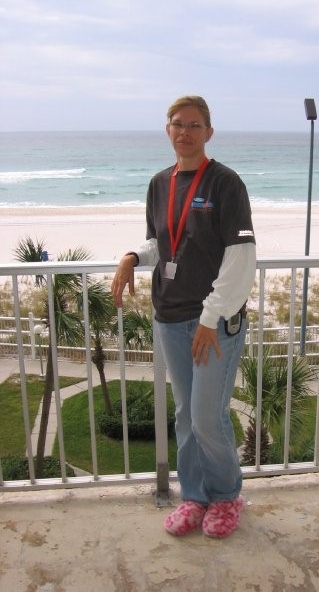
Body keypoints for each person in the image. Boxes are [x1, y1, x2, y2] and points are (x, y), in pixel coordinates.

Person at [111, 96, 256, 538]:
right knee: (186, 417)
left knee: (208, 417)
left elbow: (241, 258)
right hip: (170, 318)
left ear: (208, 132)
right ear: (167, 130)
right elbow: (161, 243)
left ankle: (226, 496)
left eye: (194, 125)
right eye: (177, 124)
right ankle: (194, 497)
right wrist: (133, 256)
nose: (185, 132)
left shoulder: (225, 183)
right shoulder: (159, 183)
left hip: (214, 324)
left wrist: (211, 318)